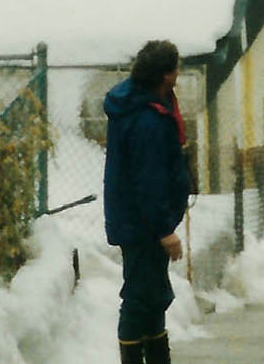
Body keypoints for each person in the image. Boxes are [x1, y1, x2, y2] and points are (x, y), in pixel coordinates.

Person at [104, 40, 192, 364]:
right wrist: (163, 230)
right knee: (139, 298)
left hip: (139, 221)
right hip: (142, 225)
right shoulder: (146, 120)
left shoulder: (143, 104)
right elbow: (148, 181)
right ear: (167, 75)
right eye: (176, 69)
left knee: (153, 297)